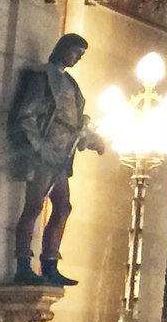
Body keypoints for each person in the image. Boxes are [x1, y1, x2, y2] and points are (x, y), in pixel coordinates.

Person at [8, 35, 103, 286]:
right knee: (34, 207)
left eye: (82, 54)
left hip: (62, 156)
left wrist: (91, 139)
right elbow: (27, 116)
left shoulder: (70, 83)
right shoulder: (42, 76)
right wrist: (40, 147)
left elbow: (73, 123)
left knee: (63, 207)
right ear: (63, 49)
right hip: (44, 155)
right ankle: (23, 265)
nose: (78, 58)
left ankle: (50, 263)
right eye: (76, 52)